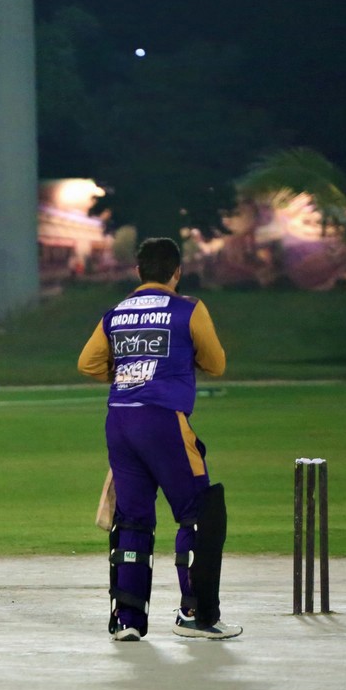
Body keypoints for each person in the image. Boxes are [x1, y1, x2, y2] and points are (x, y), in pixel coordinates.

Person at [77, 237, 240, 640]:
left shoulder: (116, 313)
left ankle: (127, 620)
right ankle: (195, 614)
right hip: (164, 419)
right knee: (196, 513)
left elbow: (88, 364)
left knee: (132, 519)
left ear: (138, 272)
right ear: (177, 272)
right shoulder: (188, 308)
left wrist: (128, 371)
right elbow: (216, 363)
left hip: (120, 420)